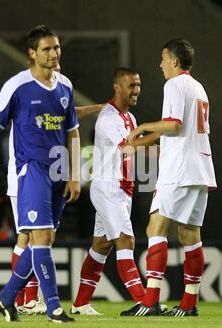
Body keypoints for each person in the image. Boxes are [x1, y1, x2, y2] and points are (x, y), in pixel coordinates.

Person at [0, 24, 81, 323]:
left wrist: (74, 174)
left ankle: (6, 297)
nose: (54, 53)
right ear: (32, 53)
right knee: (40, 239)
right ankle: (54, 307)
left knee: (45, 237)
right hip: (30, 170)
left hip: (58, 170)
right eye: (47, 49)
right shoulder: (17, 86)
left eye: (57, 48)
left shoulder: (65, 86)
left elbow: (73, 132)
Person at [6, 34, 104, 315]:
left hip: (47, 173)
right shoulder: (25, 91)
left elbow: (67, 117)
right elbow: (69, 114)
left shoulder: (56, 92)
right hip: (24, 175)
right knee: (28, 238)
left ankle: (22, 297)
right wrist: (99, 108)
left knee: (37, 238)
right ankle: (25, 299)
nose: (55, 65)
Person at [121, 38, 217, 317]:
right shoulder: (199, 88)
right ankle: (189, 304)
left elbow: (173, 126)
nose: (160, 64)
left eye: (163, 58)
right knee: (190, 235)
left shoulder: (173, 85)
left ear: (174, 61)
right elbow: (184, 131)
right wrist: (144, 141)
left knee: (155, 228)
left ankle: (150, 300)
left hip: (178, 170)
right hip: (200, 169)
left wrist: (142, 126)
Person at [71, 67, 161, 315]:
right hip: (108, 187)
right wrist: (161, 131)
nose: (137, 91)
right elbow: (129, 147)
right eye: (132, 85)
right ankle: (144, 301)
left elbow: (138, 149)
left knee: (101, 246)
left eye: (139, 85)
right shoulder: (108, 118)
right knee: (126, 240)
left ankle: (80, 304)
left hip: (123, 189)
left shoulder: (129, 119)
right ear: (117, 88)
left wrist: (163, 151)